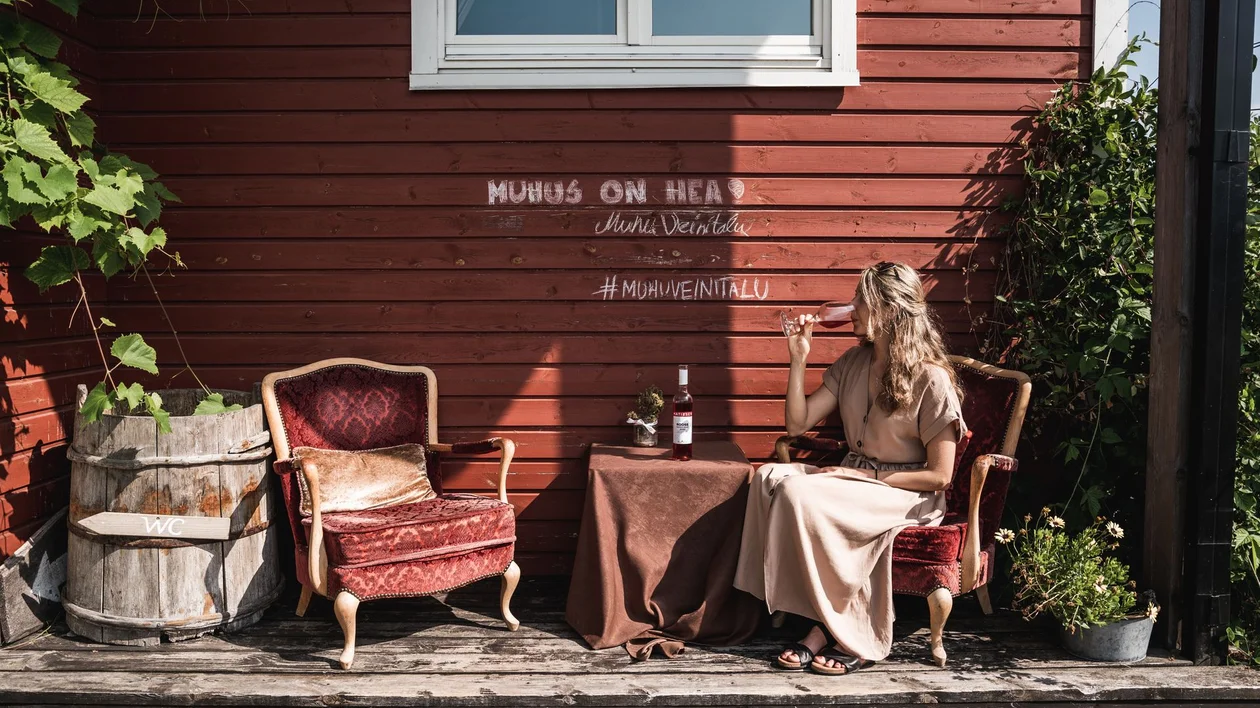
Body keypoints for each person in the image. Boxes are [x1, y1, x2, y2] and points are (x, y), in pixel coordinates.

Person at [733, 261, 967, 676]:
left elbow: (940, 476)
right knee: (768, 478)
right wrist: (798, 357)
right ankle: (792, 606)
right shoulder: (853, 362)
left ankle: (840, 630)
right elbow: (797, 424)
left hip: (907, 492)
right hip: (857, 478)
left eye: (862, 300)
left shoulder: (931, 380)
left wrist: (868, 476)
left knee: (797, 490)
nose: (852, 308)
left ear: (891, 310)